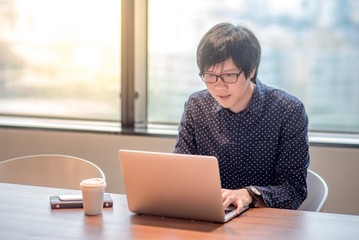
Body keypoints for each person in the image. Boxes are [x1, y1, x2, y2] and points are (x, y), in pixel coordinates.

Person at [173, 22, 310, 214]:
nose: (219, 87)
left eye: (229, 76)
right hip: (207, 215)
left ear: (251, 70)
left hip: (264, 223)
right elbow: (181, 170)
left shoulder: (288, 111)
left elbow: (294, 190)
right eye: (210, 76)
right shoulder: (197, 106)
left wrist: (250, 194)